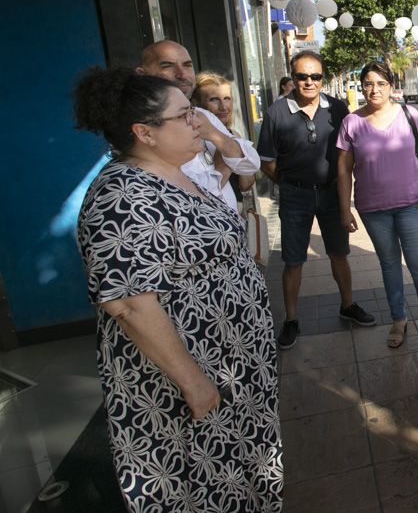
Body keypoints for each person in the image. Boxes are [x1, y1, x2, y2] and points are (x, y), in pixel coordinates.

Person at [74, 67, 282, 511]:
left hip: (231, 368)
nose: (199, 123)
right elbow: (129, 303)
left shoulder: (179, 169)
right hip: (184, 383)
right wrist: (193, 383)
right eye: (186, 116)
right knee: (202, 485)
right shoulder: (121, 195)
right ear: (144, 132)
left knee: (241, 476)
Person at [257, 52, 374, 349]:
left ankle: (348, 305)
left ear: (323, 78)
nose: (309, 82)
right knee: (293, 260)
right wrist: (288, 184)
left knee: (339, 253)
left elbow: (350, 151)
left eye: (315, 76)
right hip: (295, 196)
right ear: (292, 77)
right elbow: (267, 161)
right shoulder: (276, 113)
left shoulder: (337, 108)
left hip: (332, 193)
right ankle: (292, 320)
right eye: (302, 76)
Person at [337, 62, 418, 349]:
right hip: (373, 209)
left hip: (413, 204)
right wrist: (345, 209)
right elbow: (344, 169)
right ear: (361, 86)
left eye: (381, 83)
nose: (374, 89)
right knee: (389, 265)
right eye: (368, 83)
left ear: (390, 86)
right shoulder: (351, 122)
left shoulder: (408, 114)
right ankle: (398, 319)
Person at [137, 40, 259, 212]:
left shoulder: (204, 116)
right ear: (142, 74)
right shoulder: (148, 128)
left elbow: (250, 165)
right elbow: (188, 199)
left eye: (187, 65)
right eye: (167, 65)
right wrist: (225, 163)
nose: (181, 74)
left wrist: (215, 135)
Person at [191, 72, 255, 202]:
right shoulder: (191, 139)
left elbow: (246, 185)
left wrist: (230, 146)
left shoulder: (233, 134)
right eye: (214, 99)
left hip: (236, 211)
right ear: (196, 104)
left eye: (227, 98)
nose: (223, 107)